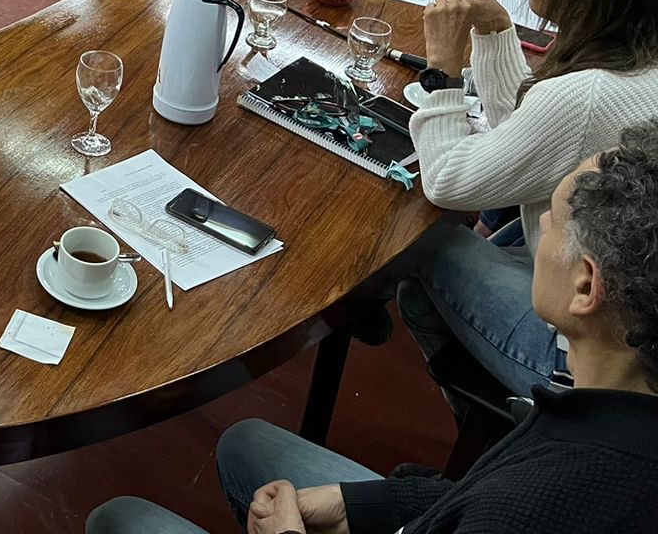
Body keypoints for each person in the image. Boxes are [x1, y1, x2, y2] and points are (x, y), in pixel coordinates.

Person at [87, 124, 658, 534]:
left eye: (554, 219)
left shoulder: (548, 499)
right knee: (246, 443)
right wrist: (361, 506)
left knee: (119, 519)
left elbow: (492, 507)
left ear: (586, 286)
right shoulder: (608, 408)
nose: (540, 223)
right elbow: (467, 498)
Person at [397, 0, 658, 399]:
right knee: (420, 286)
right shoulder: (637, 60)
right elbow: (532, 138)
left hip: (592, 361)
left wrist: (442, 72)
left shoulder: (586, 95)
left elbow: (448, 182)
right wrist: (497, 33)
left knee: (422, 245)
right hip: (633, 310)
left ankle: (538, 419)